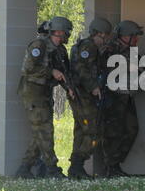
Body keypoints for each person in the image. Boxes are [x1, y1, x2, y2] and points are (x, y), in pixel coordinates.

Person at [15, 16, 74, 179]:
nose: (67, 35)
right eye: (66, 32)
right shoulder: (39, 45)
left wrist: (69, 88)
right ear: (60, 32)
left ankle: (24, 169)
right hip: (33, 94)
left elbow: (63, 72)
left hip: (45, 94)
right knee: (45, 131)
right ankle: (52, 170)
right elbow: (29, 69)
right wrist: (51, 72)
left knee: (39, 133)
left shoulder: (60, 50)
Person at [67, 18, 112, 179]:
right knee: (93, 130)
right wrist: (93, 86)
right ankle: (77, 165)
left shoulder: (91, 47)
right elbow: (80, 69)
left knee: (81, 130)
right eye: (106, 35)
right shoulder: (89, 46)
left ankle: (76, 168)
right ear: (99, 34)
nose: (107, 39)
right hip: (83, 95)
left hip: (83, 95)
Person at [99, 20, 143, 177]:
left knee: (131, 129)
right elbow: (108, 68)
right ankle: (111, 167)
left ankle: (115, 163)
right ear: (125, 36)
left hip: (126, 95)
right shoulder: (110, 49)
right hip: (113, 96)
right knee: (113, 131)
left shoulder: (130, 50)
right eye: (134, 36)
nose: (137, 40)